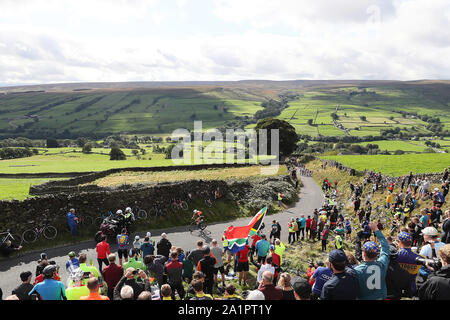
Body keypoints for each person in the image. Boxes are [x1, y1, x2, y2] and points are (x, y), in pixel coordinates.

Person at [353, 221, 390, 300]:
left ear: (364, 254)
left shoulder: (357, 270)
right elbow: (385, 247)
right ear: (377, 254)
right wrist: (376, 229)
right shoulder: (382, 264)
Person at [396, 231, 424, 296]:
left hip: (397, 286)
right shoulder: (420, 257)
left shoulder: (396, 256)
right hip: (412, 287)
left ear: (400, 242)